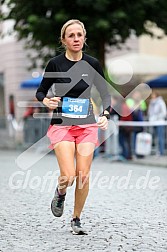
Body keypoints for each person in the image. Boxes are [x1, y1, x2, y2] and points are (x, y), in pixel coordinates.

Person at [36, 19, 110, 235]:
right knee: (68, 175)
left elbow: (105, 94)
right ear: (64, 40)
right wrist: (45, 101)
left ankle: (76, 218)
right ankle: (60, 192)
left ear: (84, 38)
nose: (76, 39)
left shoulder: (93, 64)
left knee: (83, 174)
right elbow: (41, 91)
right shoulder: (55, 64)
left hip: (86, 124)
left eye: (79, 35)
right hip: (62, 124)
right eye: (71, 35)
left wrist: (105, 114)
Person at [147, 91, 167, 155]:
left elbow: (164, 113)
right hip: (153, 122)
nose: (152, 96)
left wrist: (157, 117)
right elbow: (149, 112)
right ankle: (155, 150)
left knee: (160, 137)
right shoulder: (151, 103)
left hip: (159, 122)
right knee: (154, 137)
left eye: (153, 95)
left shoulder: (160, 102)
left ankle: (161, 151)